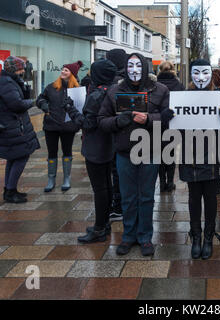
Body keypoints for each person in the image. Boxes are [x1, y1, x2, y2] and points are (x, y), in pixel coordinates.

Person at [98, 53, 169, 256]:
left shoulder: (160, 90)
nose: (134, 70)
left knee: (146, 196)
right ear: (126, 68)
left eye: (138, 65)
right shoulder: (114, 91)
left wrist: (148, 119)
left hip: (150, 151)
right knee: (128, 197)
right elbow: (101, 119)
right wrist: (116, 122)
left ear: (145, 68)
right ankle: (129, 236)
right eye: (130, 65)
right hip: (124, 152)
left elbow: (168, 118)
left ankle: (145, 237)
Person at [62, 59, 117, 243]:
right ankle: (105, 223)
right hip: (109, 145)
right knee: (107, 186)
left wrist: (70, 108)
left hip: (95, 146)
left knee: (100, 189)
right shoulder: (113, 90)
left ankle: (99, 228)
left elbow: (87, 124)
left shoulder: (96, 95)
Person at [178, 59, 220, 260]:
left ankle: (208, 236)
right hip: (191, 152)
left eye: (205, 73)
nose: (201, 78)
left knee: (211, 197)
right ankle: (196, 235)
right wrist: (170, 116)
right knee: (194, 197)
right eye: (196, 73)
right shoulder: (184, 96)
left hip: (215, 153)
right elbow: (176, 129)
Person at [0, 56, 40, 203]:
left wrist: (23, 85)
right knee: (21, 156)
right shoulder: (7, 83)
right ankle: (10, 191)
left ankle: (9, 190)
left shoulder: (10, 81)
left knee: (13, 158)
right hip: (12, 127)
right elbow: (17, 105)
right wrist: (32, 102)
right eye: (21, 69)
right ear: (14, 70)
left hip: (13, 126)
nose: (23, 71)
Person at [36, 61, 82, 192]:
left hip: (68, 126)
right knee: (52, 152)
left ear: (72, 74)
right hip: (51, 125)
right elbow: (40, 99)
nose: (63, 72)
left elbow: (81, 107)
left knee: (67, 151)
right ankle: (51, 179)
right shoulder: (51, 87)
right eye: (62, 69)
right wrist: (43, 104)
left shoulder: (77, 90)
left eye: (66, 70)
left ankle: (66, 178)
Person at [105, 48, 128, 222]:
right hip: (126, 134)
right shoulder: (127, 80)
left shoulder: (111, 82)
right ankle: (120, 204)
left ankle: (118, 205)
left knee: (115, 171)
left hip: (112, 133)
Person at [156, 60, 185, 193]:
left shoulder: (155, 85)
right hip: (174, 124)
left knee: (160, 155)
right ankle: (170, 182)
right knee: (171, 154)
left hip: (158, 124)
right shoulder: (179, 85)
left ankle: (161, 183)